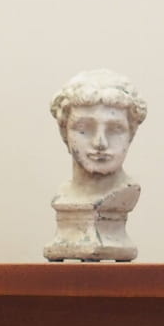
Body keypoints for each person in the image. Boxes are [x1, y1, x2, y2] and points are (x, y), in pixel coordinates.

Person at [45, 69, 145, 262]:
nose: (100, 142)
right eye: (84, 129)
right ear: (64, 133)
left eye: (115, 129)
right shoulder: (63, 195)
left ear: (131, 135)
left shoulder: (126, 193)